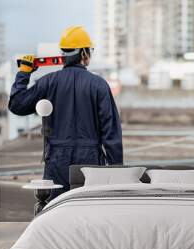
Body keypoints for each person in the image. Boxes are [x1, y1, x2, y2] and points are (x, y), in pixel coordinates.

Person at [9, 26, 123, 200]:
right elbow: (111, 133)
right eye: (90, 50)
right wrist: (117, 174)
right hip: (90, 161)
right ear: (84, 54)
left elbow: (18, 105)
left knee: (56, 208)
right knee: (89, 206)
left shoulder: (48, 82)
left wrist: (23, 74)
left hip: (56, 159)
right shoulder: (99, 85)